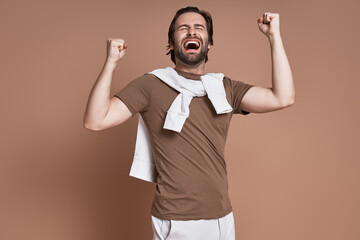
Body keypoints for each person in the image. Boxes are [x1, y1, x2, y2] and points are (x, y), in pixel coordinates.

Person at [83, 6, 295, 240]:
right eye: (183, 28)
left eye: (199, 28)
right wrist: (111, 62)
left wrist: (274, 36)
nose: (191, 32)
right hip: (177, 219)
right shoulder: (151, 85)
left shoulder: (224, 88)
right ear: (172, 44)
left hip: (222, 216)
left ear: (209, 43)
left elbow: (282, 97)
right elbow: (95, 120)